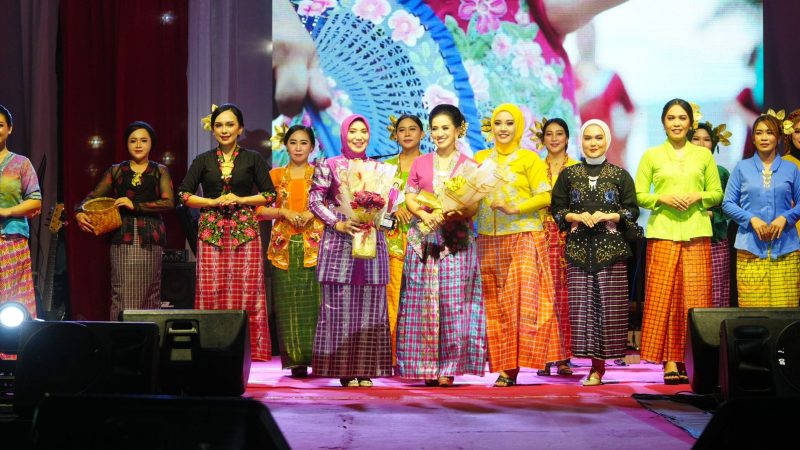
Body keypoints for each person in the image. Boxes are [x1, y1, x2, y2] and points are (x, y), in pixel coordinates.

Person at [396, 104, 485, 387]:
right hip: (424, 240)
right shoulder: (421, 162)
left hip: (455, 242)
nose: (439, 133)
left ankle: (448, 367)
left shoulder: (470, 166)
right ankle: (424, 366)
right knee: (421, 302)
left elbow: (473, 206)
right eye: (435, 128)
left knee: (451, 303)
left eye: (445, 127)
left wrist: (454, 213)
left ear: (459, 129)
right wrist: (424, 214)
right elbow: (410, 196)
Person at [635, 98, 723, 385]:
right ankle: (670, 360)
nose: (676, 123)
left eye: (681, 118)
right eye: (671, 118)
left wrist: (698, 196)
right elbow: (638, 195)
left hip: (697, 232)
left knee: (695, 300)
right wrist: (662, 198)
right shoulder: (651, 155)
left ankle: (693, 359)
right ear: (663, 122)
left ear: (690, 123)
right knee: (666, 298)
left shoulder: (703, 156)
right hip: (662, 232)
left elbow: (717, 193)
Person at [178, 103, 275, 361]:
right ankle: (211, 345)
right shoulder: (203, 160)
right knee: (212, 290)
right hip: (211, 231)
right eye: (219, 125)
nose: (224, 130)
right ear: (213, 129)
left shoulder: (252, 158)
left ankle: (251, 349)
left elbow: (270, 194)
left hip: (244, 230)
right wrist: (210, 202)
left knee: (248, 289)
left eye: (230, 124)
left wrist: (241, 199)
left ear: (240, 129)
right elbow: (184, 194)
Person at [475, 103, 563, 387]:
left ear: (518, 127)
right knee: (495, 306)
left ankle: (511, 369)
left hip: (524, 235)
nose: (503, 128)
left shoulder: (529, 159)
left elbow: (545, 196)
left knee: (519, 303)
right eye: (498, 123)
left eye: (509, 123)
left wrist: (516, 208)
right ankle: (503, 365)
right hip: (488, 239)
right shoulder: (480, 159)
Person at [551, 119, 638, 386]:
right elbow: (557, 210)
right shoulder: (569, 175)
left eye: (598, 138)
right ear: (581, 141)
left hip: (610, 251)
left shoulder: (620, 175)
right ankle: (591, 367)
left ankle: (600, 367)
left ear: (607, 141)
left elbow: (632, 210)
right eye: (588, 138)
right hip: (579, 251)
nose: (593, 143)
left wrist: (612, 214)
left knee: (608, 311)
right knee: (583, 310)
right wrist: (574, 215)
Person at [308, 114, 392, 387]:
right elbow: (315, 201)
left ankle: (366, 370)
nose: (358, 136)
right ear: (344, 134)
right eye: (353, 131)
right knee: (339, 310)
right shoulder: (329, 165)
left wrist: (384, 222)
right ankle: (344, 370)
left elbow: (391, 208)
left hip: (372, 247)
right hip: (339, 247)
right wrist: (338, 223)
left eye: (363, 131)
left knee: (371, 310)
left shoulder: (382, 170)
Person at [75, 121, 175, 320]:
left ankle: (148, 345)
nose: (138, 145)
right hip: (123, 238)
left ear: (151, 144)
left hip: (150, 238)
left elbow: (169, 202)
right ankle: (120, 343)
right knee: (122, 293)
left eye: (143, 140)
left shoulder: (160, 171)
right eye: (133, 140)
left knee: (150, 294)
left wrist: (134, 205)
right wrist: (79, 212)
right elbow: (92, 197)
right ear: (127, 144)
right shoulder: (117, 170)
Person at [257, 125, 323, 377]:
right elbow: (259, 210)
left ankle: (318, 357)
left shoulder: (320, 174)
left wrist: (311, 212)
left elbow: (334, 205)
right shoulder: (275, 175)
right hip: (282, 248)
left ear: (312, 146)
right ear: (286, 145)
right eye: (293, 142)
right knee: (287, 304)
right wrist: (283, 211)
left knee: (315, 302)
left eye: (303, 143)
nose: (298, 147)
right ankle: (295, 361)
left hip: (314, 246)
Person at [722, 114, 800, 308]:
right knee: (753, 312)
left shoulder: (791, 169)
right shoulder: (741, 168)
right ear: (753, 138)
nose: (764, 137)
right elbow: (728, 203)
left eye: (770, 132)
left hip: (786, 249)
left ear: (780, 138)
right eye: (759, 133)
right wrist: (751, 220)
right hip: (750, 249)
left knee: (786, 313)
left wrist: (785, 218)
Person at [539, 117, 580, 377]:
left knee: (565, 297)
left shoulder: (577, 168)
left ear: (567, 138)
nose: (554, 138)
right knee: (542, 296)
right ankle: (543, 355)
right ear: (542, 139)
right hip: (540, 234)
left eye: (559, 134)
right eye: (549, 134)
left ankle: (564, 356)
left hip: (569, 235)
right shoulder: (534, 166)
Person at [383, 114, 424, 367]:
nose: (407, 134)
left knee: (420, 301)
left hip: (425, 241)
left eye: (413, 129)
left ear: (422, 134)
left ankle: (417, 357)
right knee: (392, 299)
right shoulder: (385, 168)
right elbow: (374, 210)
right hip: (392, 242)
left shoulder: (431, 165)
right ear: (394, 135)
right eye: (402, 130)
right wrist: (393, 211)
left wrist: (418, 209)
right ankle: (389, 356)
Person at [0, 104, 41, 319]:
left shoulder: (20, 164)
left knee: (10, 303)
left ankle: (11, 351)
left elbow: (35, 202)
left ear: (10, 129)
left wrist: (6, 212)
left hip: (11, 242)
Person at [688, 121, 731, 307]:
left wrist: (713, 216)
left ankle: (715, 335)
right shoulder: (682, 172)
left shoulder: (721, 172)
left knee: (716, 294)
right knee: (692, 293)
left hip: (715, 240)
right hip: (689, 240)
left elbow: (730, 207)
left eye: (706, 140)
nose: (701, 143)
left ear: (713, 143)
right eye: (696, 139)